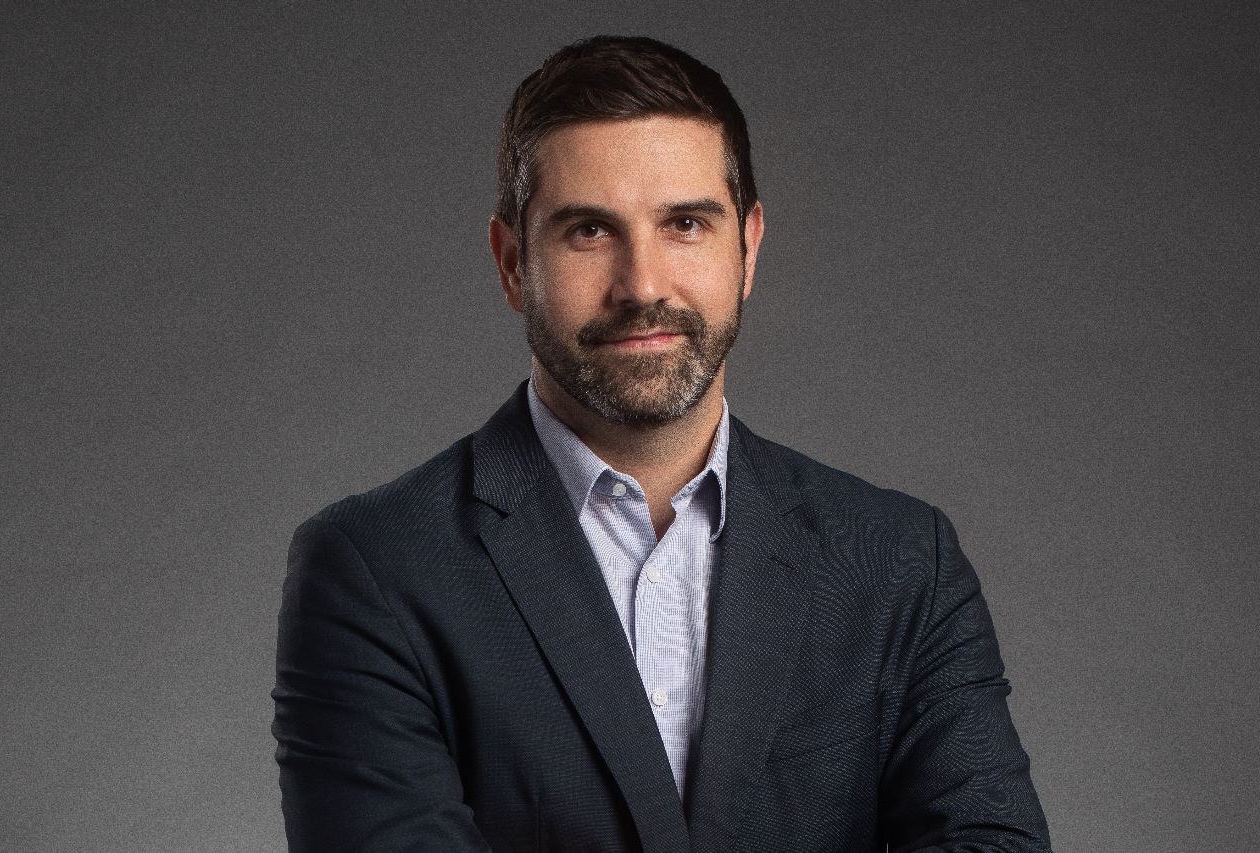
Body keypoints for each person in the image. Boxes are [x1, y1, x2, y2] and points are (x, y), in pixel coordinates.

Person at [272, 35, 1052, 853]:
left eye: (684, 223)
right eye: (588, 230)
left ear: (747, 248)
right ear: (511, 264)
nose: (642, 284)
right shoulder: (374, 569)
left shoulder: (901, 563)